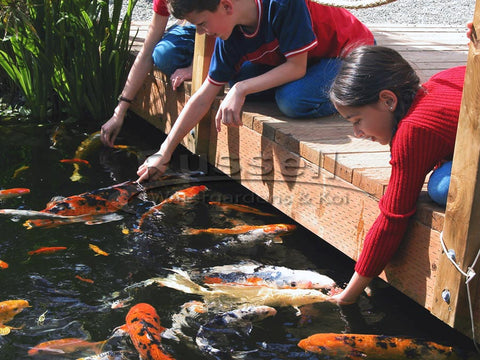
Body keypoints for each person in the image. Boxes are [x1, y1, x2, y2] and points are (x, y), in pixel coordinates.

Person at [136, 0, 374, 182]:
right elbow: (205, 95)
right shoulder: (229, 35)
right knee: (239, 80)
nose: (200, 33)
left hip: (345, 53)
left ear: (227, 6)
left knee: (292, 100)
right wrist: (164, 152)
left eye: (201, 24)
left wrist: (241, 89)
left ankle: (354, 87)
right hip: (300, 59)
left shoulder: (282, 5)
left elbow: (297, 67)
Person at [327, 45, 465, 305]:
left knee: (443, 187)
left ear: (388, 100)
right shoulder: (436, 83)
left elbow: (393, 218)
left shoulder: (412, 132)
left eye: (357, 120)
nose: (357, 133)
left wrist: (348, 295)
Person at [100, 0, 196, 147]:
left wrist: (193, 67)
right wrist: (119, 111)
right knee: (163, 55)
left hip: (229, 27)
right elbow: (146, 52)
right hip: (192, 25)